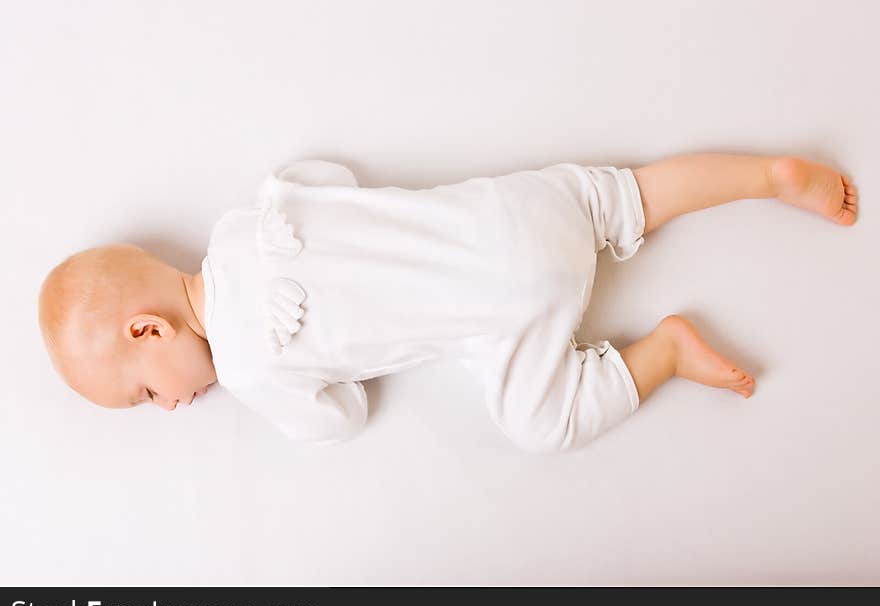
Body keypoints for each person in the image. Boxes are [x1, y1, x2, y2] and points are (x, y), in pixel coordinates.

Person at [37, 154, 858, 453]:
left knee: (540, 424)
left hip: (509, 313)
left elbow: (343, 417)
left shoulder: (253, 371)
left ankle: (667, 350)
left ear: (148, 328)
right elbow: (329, 177)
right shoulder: (244, 221)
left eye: (148, 392)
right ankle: (768, 176)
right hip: (513, 209)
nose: (170, 405)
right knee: (629, 194)